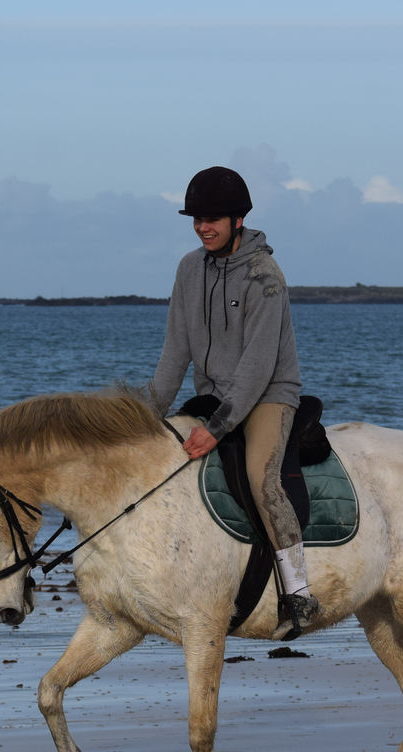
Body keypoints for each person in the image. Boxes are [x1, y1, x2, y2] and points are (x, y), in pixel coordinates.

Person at [147, 166, 320, 640]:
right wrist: (142, 418)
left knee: (259, 479)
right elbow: (174, 352)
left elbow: (258, 365)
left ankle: (299, 594)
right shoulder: (189, 269)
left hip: (267, 395)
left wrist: (218, 427)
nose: (204, 226)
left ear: (238, 219)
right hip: (214, 395)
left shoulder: (266, 277)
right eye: (197, 218)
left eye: (214, 218)